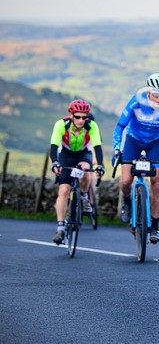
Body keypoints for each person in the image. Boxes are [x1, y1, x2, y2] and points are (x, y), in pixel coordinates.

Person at [112, 73, 159, 244]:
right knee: (126, 180)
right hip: (133, 141)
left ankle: (154, 227)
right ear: (148, 92)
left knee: (157, 183)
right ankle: (127, 202)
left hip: (155, 143)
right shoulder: (136, 101)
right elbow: (120, 126)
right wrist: (117, 149)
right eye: (156, 94)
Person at [49, 100, 104, 244]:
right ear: (71, 115)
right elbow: (54, 146)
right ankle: (60, 228)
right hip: (66, 155)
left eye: (84, 117)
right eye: (77, 116)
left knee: (85, 168)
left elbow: (97, 146)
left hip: (83, 154)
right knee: (63, 190)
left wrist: (100, 165)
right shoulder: (61, 124)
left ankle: (84, 197)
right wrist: (55, 162)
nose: (81, 120)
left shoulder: (91, 126)